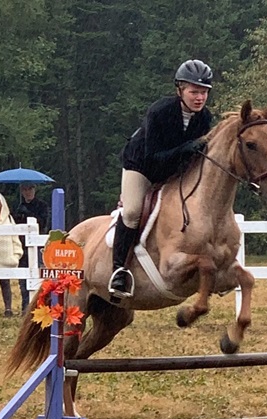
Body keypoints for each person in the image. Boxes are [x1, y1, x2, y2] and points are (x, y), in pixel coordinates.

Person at [111, 59, 214, 298]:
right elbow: (154, 157)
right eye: (194, 92)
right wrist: (189, 147)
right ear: (180, 90)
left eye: (204, 92)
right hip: (142, 166)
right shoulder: (160, 111)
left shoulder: (204, 118)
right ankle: (119, 271)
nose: (199, 98)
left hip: (173, 170)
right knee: (132, 211)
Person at [12, 182, 49, 313]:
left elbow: (43, 224)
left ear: (34, 189)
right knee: (23, 279)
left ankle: (39, 305)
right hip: (22, 246)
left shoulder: (42, 206)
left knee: (39, 275)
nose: (28, 192)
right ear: (22, 191)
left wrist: (28, 215)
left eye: (30, 189)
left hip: (38, 245)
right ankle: (25, 307)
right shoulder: (18, 207)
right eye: (25, 189)